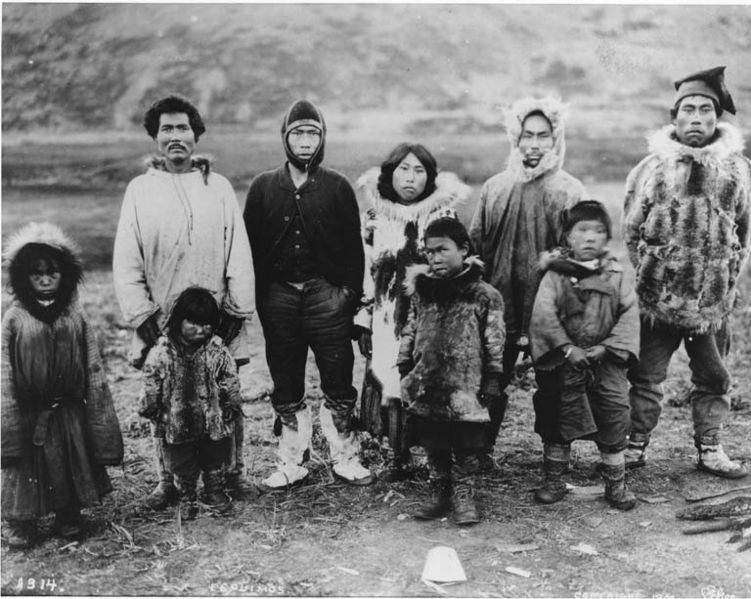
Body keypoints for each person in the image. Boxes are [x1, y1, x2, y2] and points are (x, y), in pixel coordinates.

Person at [113, 94, 255, 508]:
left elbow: (238, 254)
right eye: (166, 129)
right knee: (166, 404)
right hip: (162, 321)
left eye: (183, 128)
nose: (175, 136)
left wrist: (232, 314)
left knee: (224, 397)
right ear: (155, 138)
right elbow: (127, 260)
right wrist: (147, 318)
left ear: (196, 134)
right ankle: (167, 481)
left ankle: (233, 473)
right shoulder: (140, 190)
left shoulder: (220, 187)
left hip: (214, 321)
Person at [623, 66, 751, 478]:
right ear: (674, 117)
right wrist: (650, 279)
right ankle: (634, 446)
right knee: (646, 376)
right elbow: (630, 228)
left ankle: (710, 448)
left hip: (711, 303)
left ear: (718, 118)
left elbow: (744, 232)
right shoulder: (651, 168)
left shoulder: (736, 170)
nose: (696, 118)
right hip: (657, 301)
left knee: (713, 377)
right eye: (688, 110)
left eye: (705, 110)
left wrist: (725, 285)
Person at [243, 99, 374, 489]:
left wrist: (346, 295)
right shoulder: (264, 186)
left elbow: (354, 249)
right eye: (297, 133)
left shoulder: (336, 186)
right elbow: (250, 247)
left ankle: (345, 456)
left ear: (322, 138)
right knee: (286, 380)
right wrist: (263, 296)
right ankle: (291, 460)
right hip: (278, 296)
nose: (305, 141)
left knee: (337, 378)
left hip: (326, 296)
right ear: (285, 138)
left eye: (312, 133)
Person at [469, 96, 587, 469]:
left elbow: (581, 257)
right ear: (514, 139)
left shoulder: (569, 190)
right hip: (497, 308)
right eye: (526, 136)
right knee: (489, 380)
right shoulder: (494, 188)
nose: (534, 145)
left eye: (543, 136)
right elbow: (476, 247)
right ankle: (478, 453)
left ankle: (555, 461)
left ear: (556, 139)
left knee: (555, 386)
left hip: (548, 311)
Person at [1, 223, 123, 548]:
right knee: (27, 468)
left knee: (67, 461)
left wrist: (99, 416)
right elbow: (4, 371)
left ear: (64, 274)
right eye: (36, 274)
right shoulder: (15, 318)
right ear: (23, 277)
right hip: (30, 413)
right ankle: (22, 521)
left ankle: (68, 514)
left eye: (52, 272)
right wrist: (9, 419)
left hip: (67, 410)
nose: (44, 279)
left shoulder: (75, 315)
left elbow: (93, 366)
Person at [354, 143, 472, 479]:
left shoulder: (442, 215)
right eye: (403, 169)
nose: (410, 178)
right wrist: (365, 315)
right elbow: (366, 267)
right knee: (391, 380)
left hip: (431, 312)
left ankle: (438, 460)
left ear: (430, 178)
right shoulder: (375, 217)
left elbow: (457, 266)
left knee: (430, 380)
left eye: (419, 170)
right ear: (390, 173)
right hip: (387, 312)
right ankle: (397, 456)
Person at [529, 201, 640, 510]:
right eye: (583, 230)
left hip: (606, 364)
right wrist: (567, 348)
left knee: (614, 417)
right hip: (564, 364)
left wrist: (607, 347)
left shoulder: (618, 274)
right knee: (557, 419)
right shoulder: (555, 276)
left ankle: (616, 484)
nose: (590, 238)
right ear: (567, 237)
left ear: (607, 238)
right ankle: (553, 480)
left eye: (599, 231)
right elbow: (544, 315)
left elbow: (629, 315)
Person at [398, 217, 505, 525]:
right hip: (428, 382)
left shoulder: (485, 295)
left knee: (465, 442)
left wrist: (493, 377)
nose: (435, 258)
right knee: (434, 440)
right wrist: (406, 366)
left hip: (465, 388)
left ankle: (464, 495)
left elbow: (495, 340)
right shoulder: (422, 292)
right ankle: (439, 491)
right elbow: (410, 330)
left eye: (442, 250)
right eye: (429, 252)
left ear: (463, 249)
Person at [139, 288, 243, 520]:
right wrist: (150, 406)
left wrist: (233, 403)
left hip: (212, 417)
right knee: (182, 462)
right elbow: (151, 379)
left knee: (214, 456)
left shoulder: (217, 349)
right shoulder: (162, 351)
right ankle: (187, 497)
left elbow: (230, 377)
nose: (200, 330)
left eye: (207, 324)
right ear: (178, 321)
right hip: (177, 418)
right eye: (193, 323)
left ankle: (214, 491)